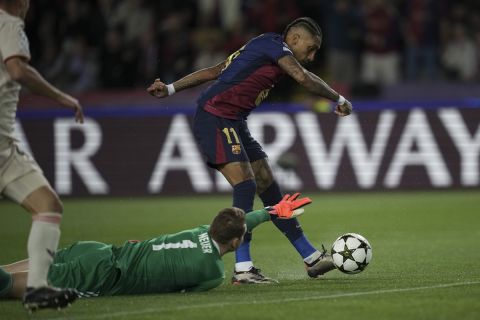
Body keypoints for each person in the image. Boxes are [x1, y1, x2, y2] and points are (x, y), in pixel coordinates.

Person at [147, 17, 352, 284]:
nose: (311, 57)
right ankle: (243, 268)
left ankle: (311, 258)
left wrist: (171, 87)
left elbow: (217, 69)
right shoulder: (272, 45)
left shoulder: (261, 48)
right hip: (215, 116)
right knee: (245, 184)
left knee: (267, 183)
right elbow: (303, 77)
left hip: (235, 121)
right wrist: (340, 99)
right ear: (295, 39)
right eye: (310, 49)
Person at [0, 193, 312, 298]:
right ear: (234, 242)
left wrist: (270, 212)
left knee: (7, 274)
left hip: (98, 250)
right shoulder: (213, 273)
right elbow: (179, 290)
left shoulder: (201, 230)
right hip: (105, 275)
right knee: (9, 286)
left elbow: (241, 224)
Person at [0, 0, 84, 311]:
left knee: (48, 205)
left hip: (5, 149)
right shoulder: (8, 24)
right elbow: (17, 69)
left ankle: (36, 288)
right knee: (48, 206)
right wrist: (60, 97)